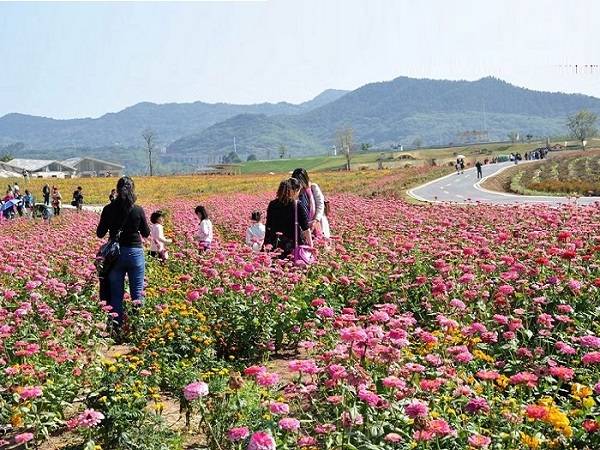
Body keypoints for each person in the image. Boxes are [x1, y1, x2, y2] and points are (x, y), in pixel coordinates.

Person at [96, 176, 150, 332]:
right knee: (137, 293)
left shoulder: (108, 209)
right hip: (135, 253)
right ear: (132, 189)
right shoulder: (138, 209)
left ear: (117, 189)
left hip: (115, 256)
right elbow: (146, 233)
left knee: (116, 294)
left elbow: (100, 233)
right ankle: (137, 329)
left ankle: (116, 328)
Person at [264, 178, 312, 258]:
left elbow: (268, 225)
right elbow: (305, 228)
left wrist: (266, 243)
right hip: (292, 245)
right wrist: (311, 246)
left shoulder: (272, 204)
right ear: (295, 191)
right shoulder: (296, 205)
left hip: (275, 244)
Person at [291, 168, 330, 239]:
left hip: (317, 221)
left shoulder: (313, 187)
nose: (299, 183)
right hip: (301, 225)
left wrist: (315, 220)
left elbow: (320, 205)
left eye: (300, 180)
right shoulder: (294, 191)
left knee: (319, 240)